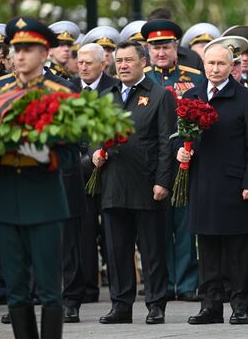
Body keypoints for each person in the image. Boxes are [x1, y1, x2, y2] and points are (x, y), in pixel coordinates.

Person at [0, 17, 78, 338]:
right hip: (5, 197)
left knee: (47, 287)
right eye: (16, 49)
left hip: (44, 197)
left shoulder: (61, 91)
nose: (21, 56)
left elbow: (72, 153)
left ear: (44, 54)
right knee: (14, 288)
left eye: (29, 49)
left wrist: (43, 153)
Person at [178, 42, 248, 325]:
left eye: (221, 64)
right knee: (207, 248)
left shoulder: (246, 98)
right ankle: (211, 305)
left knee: (238, 249)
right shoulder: (192, 95)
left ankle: (240, 305)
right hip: (202, 182)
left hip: (235, 185)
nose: (214, 69)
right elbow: (179, 136)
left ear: (232, 66)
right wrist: (179, 151)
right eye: (210, 63)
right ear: (204, 64)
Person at [95, 41, 175, 325]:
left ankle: (155, 304)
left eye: (129, 60)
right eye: (119, 60)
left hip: (147, 184)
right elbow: (94, 134)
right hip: (114, 183)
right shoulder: (106, 95)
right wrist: (94, 153)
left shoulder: (159, 95)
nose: (124, 65)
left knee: (152, 251)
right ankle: (121, 305)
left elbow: (168, 142)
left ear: (144, 62)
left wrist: (163, 181)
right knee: (117, 251)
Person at [141, 18, 204, 302]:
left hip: (186, 161)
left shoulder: (194, 76)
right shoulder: (143, 79)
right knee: (158, 227)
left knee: (185, 224)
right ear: (148, 50)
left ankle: (187, 284)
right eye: (155, 47)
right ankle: (163, 283)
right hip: (152, 164)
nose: (161, 52)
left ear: (176, 46)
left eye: (165, 46)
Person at [72, 42, 118, 305]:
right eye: (80, 62)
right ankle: (87, 288)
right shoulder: (69, 87)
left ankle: (118, 288)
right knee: (84, 232)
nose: (83, 66)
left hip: (108, 167)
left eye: (89, 62)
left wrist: (98, 153)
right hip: (78, 172)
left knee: (113, 234)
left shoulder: (114, 88)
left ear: (104, 63)